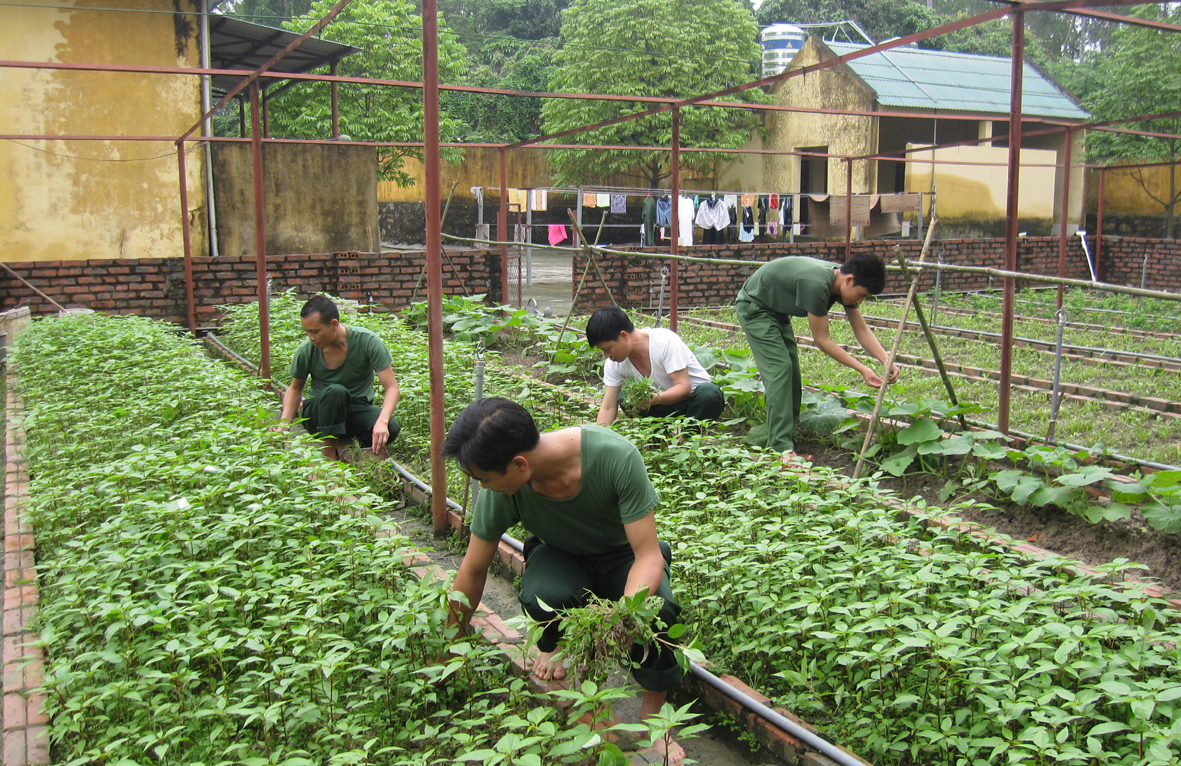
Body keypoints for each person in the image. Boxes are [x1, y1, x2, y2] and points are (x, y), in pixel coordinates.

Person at [442, 398, 685, 762]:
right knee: (546, 595)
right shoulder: (504, 488)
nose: (485, 488)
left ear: (519, 464)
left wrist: (616, 619)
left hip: (624, 557)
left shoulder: (615, 458)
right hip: (559, 553)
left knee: (658, 612)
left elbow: (647, 557)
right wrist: (452, 643)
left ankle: (655, 720)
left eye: (485, 480)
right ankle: (568, 671)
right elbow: (474, 569)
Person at [735, 254, 899, 465]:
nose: (859, 301)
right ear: (849, 280)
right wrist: (862, 369)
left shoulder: (841, 282)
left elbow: (861, 329)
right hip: (755, 307)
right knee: (780, 371)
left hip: (777, 312)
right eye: (861, 295)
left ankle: (785, 445)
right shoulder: (816, 284)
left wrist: (886, 360)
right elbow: (822, 340)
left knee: (792, 373)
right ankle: (780, 451)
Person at [279, 295, 401, 460]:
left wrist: (383, 422)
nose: (311, 337)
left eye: (315, 331)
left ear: (334, 324)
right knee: (336, 392)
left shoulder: (367, 341)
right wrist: (283, 425)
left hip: (353, 410)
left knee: (392, 427)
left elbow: (392, 387)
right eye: (307, 332)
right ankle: (329, 457)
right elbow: (295, 388)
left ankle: (343, 439)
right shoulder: (307, 350)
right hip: (319, 414)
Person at [586, 306, 724, 426]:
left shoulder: (665, 342)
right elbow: (608, 407)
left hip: (693, 403)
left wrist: (654, 399)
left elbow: (684, 388)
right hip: (660, 405)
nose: (606, 355)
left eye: (607, 349)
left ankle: (689, 436)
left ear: (624, 336)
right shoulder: (614, 363)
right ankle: (657, 439)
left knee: (709, 392)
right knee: (625, 397)